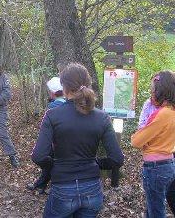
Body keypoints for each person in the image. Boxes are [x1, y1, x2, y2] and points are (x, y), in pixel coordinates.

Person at [32, 63, 124, 217]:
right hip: (92, 190)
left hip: (63, 188)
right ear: (88, 84)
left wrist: (56, 165)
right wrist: (96, 162)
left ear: (64, 87)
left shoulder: (52, 115)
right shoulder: (102, 118)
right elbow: (117, 159)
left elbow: (38, 156)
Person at [131, 70, 175, 218]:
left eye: (153, 88)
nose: (151, 91)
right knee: (152, 207)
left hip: (156, 168)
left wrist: (144, 140)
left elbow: (136, 141)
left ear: (160, 90)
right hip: (168, 163)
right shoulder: (172, 111)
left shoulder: (162, 114)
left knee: (156, 212)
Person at [27, 76, 66, 194]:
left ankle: (50, 186)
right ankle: (41, 184)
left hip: (57, 141)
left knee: (48, 160)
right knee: (48, 159)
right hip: (61, 141)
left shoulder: (54, 107)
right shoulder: (66, 103)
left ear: (52, 92)